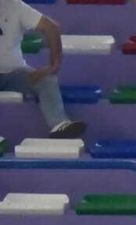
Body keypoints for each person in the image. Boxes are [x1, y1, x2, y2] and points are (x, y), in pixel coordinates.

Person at [0, 0, 86, 138]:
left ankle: (59, 124)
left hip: (15, 72)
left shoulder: (14, 6)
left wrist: (54, 65)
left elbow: (51, 27)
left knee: (46, 80)